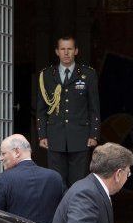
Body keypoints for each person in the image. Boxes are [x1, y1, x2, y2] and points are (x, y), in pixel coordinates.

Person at [36, 36, 101, 188]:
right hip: (54, 137)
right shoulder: (46, 75)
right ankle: (59, 211)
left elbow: (94, 108)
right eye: (63, 49)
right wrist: (42, 135)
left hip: (80, 137)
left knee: (78, 182)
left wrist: (94, 134)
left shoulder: (88, 74)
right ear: (57, 52)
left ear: (76, 51)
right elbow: (41, 109)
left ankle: (75, 211)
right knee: (56, 181)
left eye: (70, 49)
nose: (66, 53)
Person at [0, 134, 64, 223]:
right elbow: (64, 213)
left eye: (3, 153)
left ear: (17, 152)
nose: (0, 158)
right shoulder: (55, 177)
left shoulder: (3, 179)